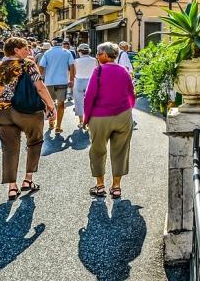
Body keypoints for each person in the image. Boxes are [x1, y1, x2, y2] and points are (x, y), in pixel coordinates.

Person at [0, 37, 57, 201]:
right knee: (34, 141)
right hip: (27, 110)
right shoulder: (28, 64)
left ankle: (12, 187)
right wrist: (51, 106)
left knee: (9, 149)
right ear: (16, 50)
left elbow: (0, 87)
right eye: (25, 48)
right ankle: (28, 179)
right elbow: (40, 87)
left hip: (2, 110)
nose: (28, 51)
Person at [83, 42, 136, 198]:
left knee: (98, 150)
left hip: (100, 117)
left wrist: (86, 118)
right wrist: (128, 110)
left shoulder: (98, 71)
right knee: (121, 151)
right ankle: (116, 187)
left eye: (99, 53)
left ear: (106, 55)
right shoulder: (124, 70)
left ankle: (100, 186)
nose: (97, 56)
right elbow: (131, 93)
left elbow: (89, 97)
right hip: (123, 115)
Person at [38, 37, 75, 133]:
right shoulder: (67, 52)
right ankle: (58, 126)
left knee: (49, 103)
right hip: (62, 81)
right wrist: (71, 80)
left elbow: (41, 66)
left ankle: (51, 121)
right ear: (62, 43)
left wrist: (38, 79)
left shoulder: (47, 53)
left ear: (52, 43)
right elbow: (72, 66)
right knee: (61, 104)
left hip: (49, 82)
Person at [73, 43, 97, 127]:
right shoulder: (94, 60)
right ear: (88, 51)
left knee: (79, 102)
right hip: (91, 82)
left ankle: (81, 121)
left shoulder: (76, 61)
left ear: (80, 51)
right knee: (91, 101)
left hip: (79, 82)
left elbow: (74, 73)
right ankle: (89, 120)